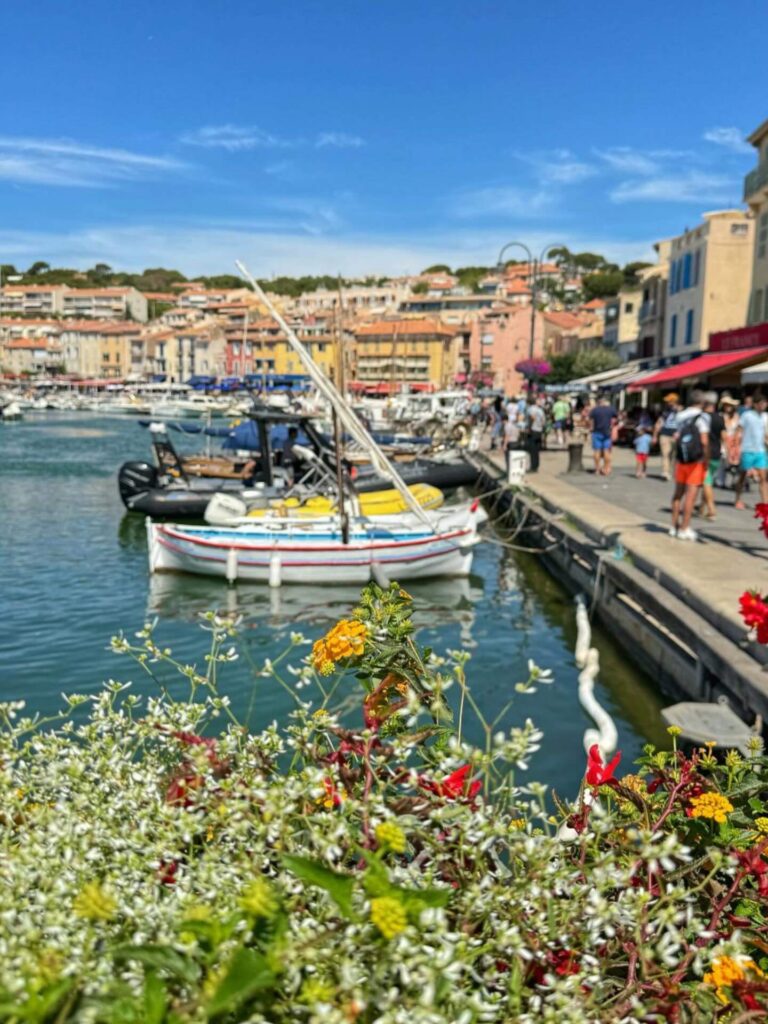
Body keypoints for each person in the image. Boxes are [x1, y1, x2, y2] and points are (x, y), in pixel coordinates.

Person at [669, 389, 709, 541]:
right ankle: (684, 528)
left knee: (678, 494)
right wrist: (706, 460)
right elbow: (704, 441)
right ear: (701, 402)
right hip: (695, 461)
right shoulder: (703, 417)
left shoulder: (680, 415)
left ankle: (674, 526)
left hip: (681, 459)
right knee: (691, 497)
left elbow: (676, 436)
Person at [735, 394, 768, 509]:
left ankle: (765, 503)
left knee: (763, 478)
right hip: (747, 449)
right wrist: (736, 447)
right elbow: (739, 430)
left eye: (765, 403)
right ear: (755, 404)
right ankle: (738, 499)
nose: (763, 405)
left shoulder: (765, 416)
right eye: (761, 403)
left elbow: (765, 434)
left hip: (760, 451)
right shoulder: (747, 415)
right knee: (743, 476)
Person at [698, 391, 725, 520]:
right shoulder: (720, 418)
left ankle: (711, 509)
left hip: (705, 453)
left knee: (706, 482)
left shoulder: (702, 418)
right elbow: (724, 437)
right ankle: (702, 508)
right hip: (717, 453)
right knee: (707, 481)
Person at [653, 393, 680, 481]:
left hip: (676, 435)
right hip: (665, 434)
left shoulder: (681, 411)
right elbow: (659, 423)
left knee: (674, 455)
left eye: (669, 401)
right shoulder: (665, 412)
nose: (667, 403)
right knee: (665, 454)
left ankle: (672, 472)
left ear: (674, 401)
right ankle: (665, 472)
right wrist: (655, 436)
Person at [588, 394, 617, 476]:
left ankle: (597, 469)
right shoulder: (611, 409)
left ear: (598, 401)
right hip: (607, 432)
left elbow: (590, 420)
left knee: (597, 451)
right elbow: (615, 418)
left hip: (596, 432)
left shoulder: (594, 410)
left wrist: (591, 428)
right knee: (606, 451)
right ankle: (606, 469)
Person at [718, 395, 740, 488]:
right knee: (723, 459)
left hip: (734, 441)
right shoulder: (721, 416)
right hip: (723, 440)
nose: (728, 407)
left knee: (733, 461)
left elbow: (739, 429)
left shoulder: (736, 416)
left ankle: (730, 481)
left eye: (730, 405)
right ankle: (720, 480)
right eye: (726, 405)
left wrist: (736, 439)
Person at [525, 397, 546, 472]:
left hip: (533, 430)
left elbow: (532, 417)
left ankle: (533, 467)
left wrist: (529, 428)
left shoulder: (531, 409)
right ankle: (536, 465)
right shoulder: (540, 410)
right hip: (539, 430)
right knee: (536, 450)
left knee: (532, 450)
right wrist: (540, 426)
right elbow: (543, 421)